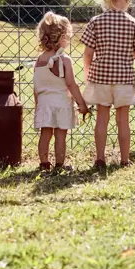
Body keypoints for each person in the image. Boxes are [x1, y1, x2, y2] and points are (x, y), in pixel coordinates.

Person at [80, 0, 135, 170]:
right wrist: (125, 57)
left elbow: (88, 53)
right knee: (122, 120)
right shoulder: (132, 23)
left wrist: (87, 73)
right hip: (124, 78)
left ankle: (100, 158)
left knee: (102, 117)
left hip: (100, 77)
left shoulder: (96, 22)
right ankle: (124, 159)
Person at [33, 12, 90, 172]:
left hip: (45, 103)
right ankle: (59, 164)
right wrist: (82, 104)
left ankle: (44, 163)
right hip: (62, 103)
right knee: (60, 135)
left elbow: (36, 86)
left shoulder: (39, 60)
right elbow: (71, 84)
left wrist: (38, 104)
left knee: (45, 134)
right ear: (62, 37)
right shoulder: (65, 60)